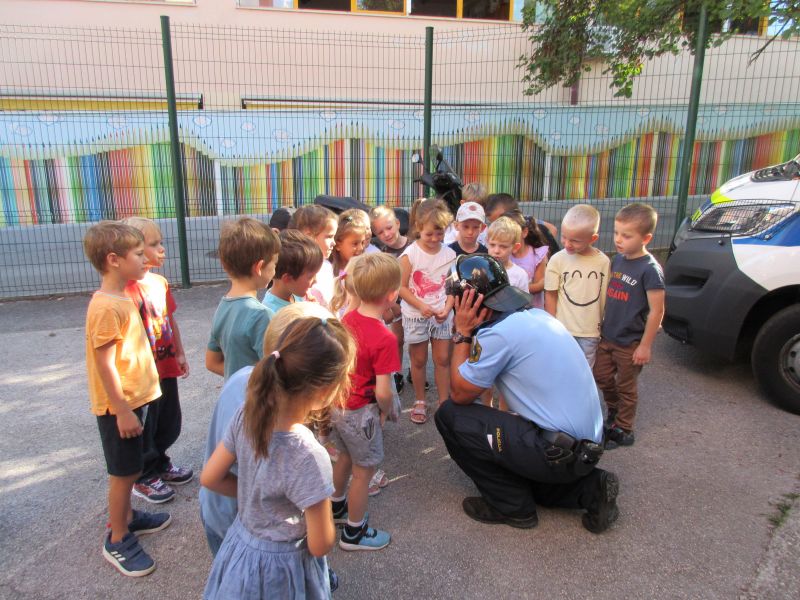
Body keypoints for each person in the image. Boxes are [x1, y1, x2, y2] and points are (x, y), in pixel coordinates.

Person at [435, 254, 619, 534]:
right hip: (582, 450)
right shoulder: (536, 316)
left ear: (467, 301)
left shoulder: (498, 336)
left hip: (555, 453)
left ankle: (510, 505)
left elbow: (460, 394)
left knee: (450, 416)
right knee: (530, 475)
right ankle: (591, 488)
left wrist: (462, 333)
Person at [201, 313, 354, 599]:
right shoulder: (308, 455)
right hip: (282, 568)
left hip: (240, 548)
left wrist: (254, 495)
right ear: (326, 390)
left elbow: (210, 477)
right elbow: (320, 544)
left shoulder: (246, 415)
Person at [83, 222, 170, 577]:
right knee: (124, 472)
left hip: (135, 402)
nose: (143, 259)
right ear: (114, 260)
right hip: (120, 408)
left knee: (132, 465)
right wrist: (122, 411)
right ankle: (117, 537)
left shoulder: (122, 297)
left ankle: (130, 517)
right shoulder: (106, 307)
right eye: (138, 254)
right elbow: (104, 364)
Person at [331, 253, 401, 550]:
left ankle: (335, 506)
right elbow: (384, 391)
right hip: (362, 412)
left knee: (345, 457)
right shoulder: (385, 338)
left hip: (339, 406)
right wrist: (386, 412)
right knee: (363, 472)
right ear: (392, 294)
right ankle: (354, 532)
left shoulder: (347, 319)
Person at [121, 217, 192, 505]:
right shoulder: (125, 290)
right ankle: (143, 474)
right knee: (146, 424)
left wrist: (180, 351)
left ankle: (160, 461)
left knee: (168, 419)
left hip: (164, 366)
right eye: (153, 245)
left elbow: (169, 318)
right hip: (142, 375)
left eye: (160, 242)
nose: (162, 249)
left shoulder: (159, 283)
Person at [594, 203, 665, 448]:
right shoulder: (619, 260)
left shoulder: (650, 270)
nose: (618, 240)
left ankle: (624, 428)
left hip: (630, 342)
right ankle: (614, 412)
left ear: (646, 238)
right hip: (608, 337)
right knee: (601, 376)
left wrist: (645, 346)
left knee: (626, 386)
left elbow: (657, 311)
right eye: (616, 233)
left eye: (626, 236)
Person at [399, 198, 457, 425]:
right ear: (418, 229)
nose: (434, 239)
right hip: (416, 315)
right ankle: (420, 400)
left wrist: (448, 307)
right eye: (429, 234)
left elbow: (453, 286)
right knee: (419, 358)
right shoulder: (410, 254)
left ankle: (445, 402)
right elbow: (401, 287)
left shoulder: (450, 254)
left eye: (439, 233)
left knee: (443, 358)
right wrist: (421, 305)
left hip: (442, 312)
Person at [206, 218, 281, 380]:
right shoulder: (261, 315)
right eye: (274, 263)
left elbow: (211, 362)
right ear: (259, 267)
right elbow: (276, 372)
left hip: (235, 399)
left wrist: (237, 378)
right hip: (259, 401)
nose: (275, 269)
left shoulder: (223, 306)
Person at [544, 204, 610, 368]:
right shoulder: (557, 260)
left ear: (593, 238)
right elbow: (550, 294)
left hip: (590, 332)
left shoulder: (603, 262)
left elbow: (605, 297)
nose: (567, 244)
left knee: (584, 372)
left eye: (575, 240)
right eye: (564, 237)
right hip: (563, 329)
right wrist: (552, 324)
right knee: (560, 367)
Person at [370, 205, 412, 392]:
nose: (386, 234)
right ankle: (397, 374)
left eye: (389, 228)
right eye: (380, 232)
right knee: (397, 339)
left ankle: (414, 370)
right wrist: (388, 307)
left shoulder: (414, 245)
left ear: (397, 223)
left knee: (417, 340)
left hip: (415, 300)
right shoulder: (381, 253)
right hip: (395, 303)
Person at [262, 230, 323, 313]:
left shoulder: (294, 293)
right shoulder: (274, 314)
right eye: (311, 277)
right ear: (288, 278)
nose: (315, 281)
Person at [289, 205, 338, 308]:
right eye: (329, 236)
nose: (334, 243)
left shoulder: (326, 265)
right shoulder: (297, 270)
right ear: (309, 236)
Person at [504, 210, 549, 309]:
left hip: (533, 310)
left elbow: (539, 286)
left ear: (524, 232)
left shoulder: (537, 255)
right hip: (510, 310)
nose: (509, 238)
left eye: (513, 234)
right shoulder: (504, 254)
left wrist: (511, 289)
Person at [486, 216, 529, 292]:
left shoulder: (520, 275)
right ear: (487, 242)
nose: (496, 251)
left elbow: (523, 302)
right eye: (492, 245)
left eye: (503, 246)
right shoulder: (480, 269)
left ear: (515, 248)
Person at [330, 211, 367, 276]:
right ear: (338, 245)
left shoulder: (365, 270)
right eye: (355, 243)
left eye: (362, 242)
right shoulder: (327, 271)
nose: (361, 248)